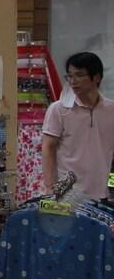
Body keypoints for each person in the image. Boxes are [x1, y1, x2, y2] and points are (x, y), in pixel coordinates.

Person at [41, 51, 114, 200]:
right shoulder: (59, 109)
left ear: (97, 78)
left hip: (102, 194)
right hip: (67, 194)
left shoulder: (111, 110)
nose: (73, 81)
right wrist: (49, 187)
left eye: (79, 75)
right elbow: (48, 147)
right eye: (69, 76)